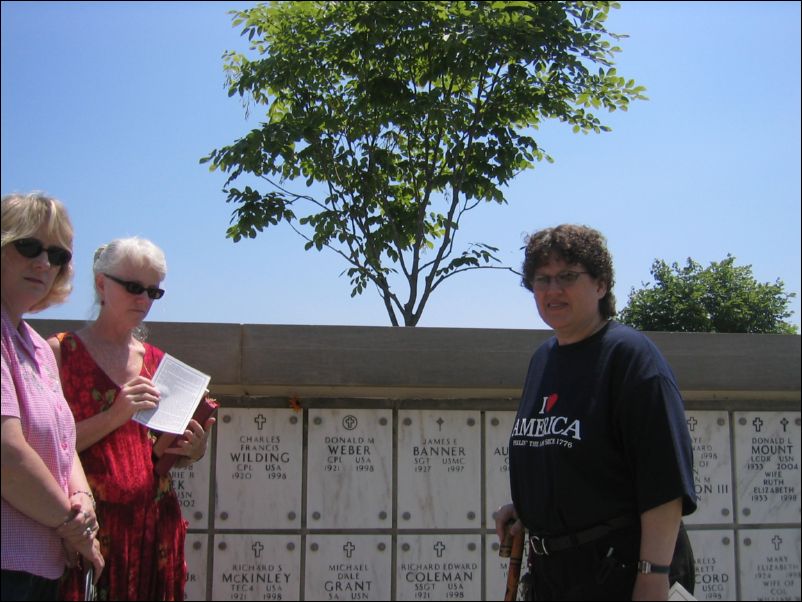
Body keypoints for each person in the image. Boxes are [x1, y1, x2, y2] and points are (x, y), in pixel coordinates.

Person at [495, 224, 696, 601]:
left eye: (568, 277)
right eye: (542, 279)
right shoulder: (543, 359)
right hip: (555, 574)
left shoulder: (631, 359)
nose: (553, 290)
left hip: (619, 571)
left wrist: (652, 575)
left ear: (601, 284)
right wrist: (530, 511)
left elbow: (664, 480)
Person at [48, 237, 215, 601]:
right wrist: (115, 414)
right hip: (89, 529)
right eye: (134, 287)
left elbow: (155, 453)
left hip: (154, 529)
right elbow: (45, 447)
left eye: (153, 292)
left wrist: (192, 451)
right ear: (101, 283)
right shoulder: (60, 353)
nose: (143, 300)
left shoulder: (159, 362)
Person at [1, 192, 104, 601]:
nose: (44, 263)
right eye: (29, 246)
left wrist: (82, 498)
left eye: (57, 255)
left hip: (41, 567)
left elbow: (63, 442)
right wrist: (73, 528)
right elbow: (8, 457)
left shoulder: (39, 348)